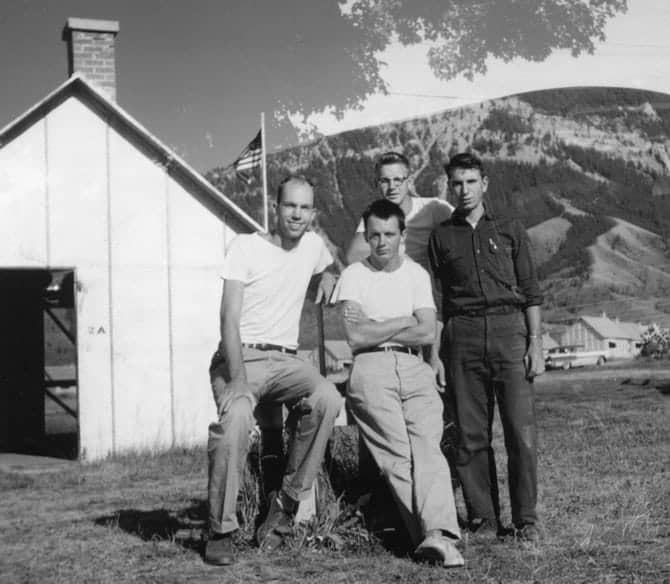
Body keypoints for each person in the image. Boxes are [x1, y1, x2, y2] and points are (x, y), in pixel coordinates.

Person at [205, 175, 343, 566]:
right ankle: (221, 528)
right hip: (240, 356)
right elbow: (228, 319)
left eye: (304, 207)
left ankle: (283, 505)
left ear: (312, 213)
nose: (296, 214)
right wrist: (238, 380)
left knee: (327, 397)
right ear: (275, 207)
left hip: (286, 360)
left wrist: (330, 274)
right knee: (236, 417)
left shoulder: (313, 245)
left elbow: (328, 261)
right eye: (289, 206)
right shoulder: (246, 247)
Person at [333, 199, 464, 568]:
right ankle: (435, 536)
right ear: (367, 236)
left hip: (414, 367)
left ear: (402, 236)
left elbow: (426, 330)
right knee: (397, 459)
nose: (382, 243)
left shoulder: (416, 276)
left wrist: (381, 324)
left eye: (390, 234)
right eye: (374, 235)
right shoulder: (354, 276)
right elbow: (356, 339)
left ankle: (435, 537)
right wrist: (402, 320)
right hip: (371, 369)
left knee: (428, 451)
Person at [428, 152, 544, 542]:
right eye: (457, 183)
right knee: (471, 435)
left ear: (485, 183)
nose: (464, 190)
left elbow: (530, 292)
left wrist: (536, 344)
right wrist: (435, 356)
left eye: (471, 182)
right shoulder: (442, 236)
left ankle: (525, 520)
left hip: (510, 333)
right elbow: (438, 302)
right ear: (449, 186)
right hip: (462, 336)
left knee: (520, 432)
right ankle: (486, 519)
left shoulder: (510, 228)